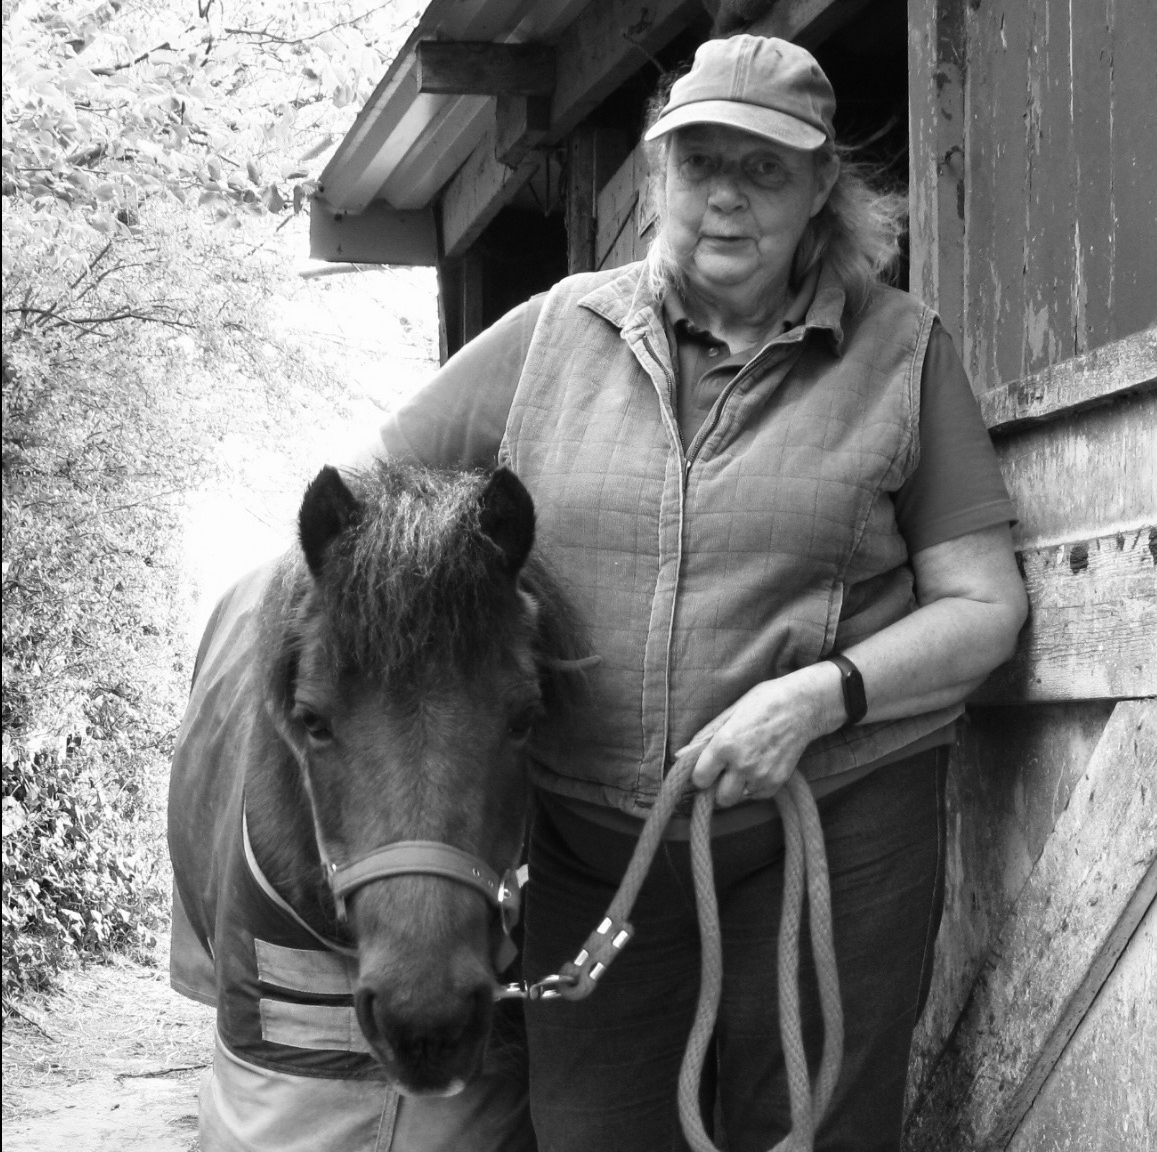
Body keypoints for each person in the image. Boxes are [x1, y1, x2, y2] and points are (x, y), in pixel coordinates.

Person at [367, 34, 1027, 1152]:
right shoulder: (550, 335)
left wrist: (818, 698)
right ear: (654, 170)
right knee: (595, 1130)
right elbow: (376, 501)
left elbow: (984, 606)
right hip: (592, 841)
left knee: (811, 1128)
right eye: (696, 164)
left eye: (763, 170)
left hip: (834, 821)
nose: (723, 199)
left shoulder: (902, 353)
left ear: (822, 187)